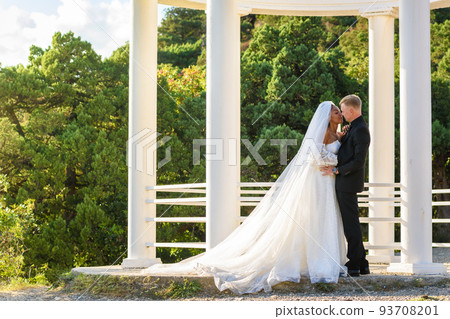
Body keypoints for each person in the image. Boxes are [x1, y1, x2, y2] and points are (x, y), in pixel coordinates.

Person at [143, 101, 347, 294]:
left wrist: (341, 141)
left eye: (339, 110)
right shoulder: (322, 134)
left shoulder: (336, 134)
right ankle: (319, 265)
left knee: (324, 219)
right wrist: (336, 162)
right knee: (315, 219)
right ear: (327, 116)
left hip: (328, 182)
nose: (339, 113)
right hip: (319, 181)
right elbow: (315, 157)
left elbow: (335, 147)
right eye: (336, 111)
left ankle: (325, 261)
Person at [321, 95, 371, 277]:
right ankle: (363, 263)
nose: (341, 113)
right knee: (352, 223)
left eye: (343, 110)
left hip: (347, 183)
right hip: (346, 182)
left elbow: (358, 162)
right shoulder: (354, 128)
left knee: (351, 225)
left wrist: (336, 171)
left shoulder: (361, 130)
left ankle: (354, 264)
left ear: (351, 111)